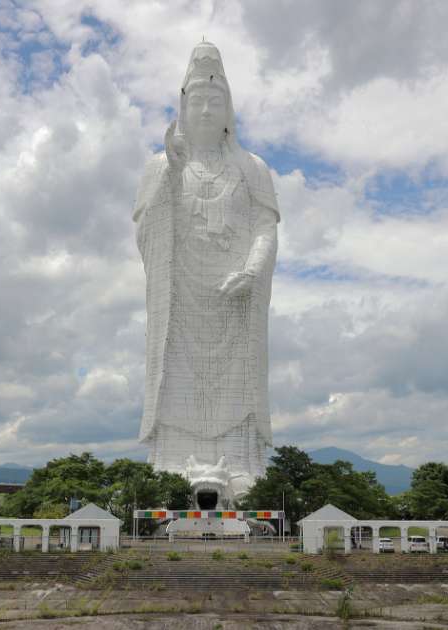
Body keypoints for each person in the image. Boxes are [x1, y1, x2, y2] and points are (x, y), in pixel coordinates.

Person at [133, 41, 279, 504]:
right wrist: (172, 173)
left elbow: (265, 227)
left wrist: (254, 269)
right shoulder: (162, 166)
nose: (204, 109)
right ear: (181, 106)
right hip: (181, 297)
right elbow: (146, 232)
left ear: (228, 109)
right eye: (195, 100)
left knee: (238, 377)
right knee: (176, 371)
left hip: (234, 297)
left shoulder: (252, 168)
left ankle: (240, 462)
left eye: (215, 100)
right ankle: (171, 464)